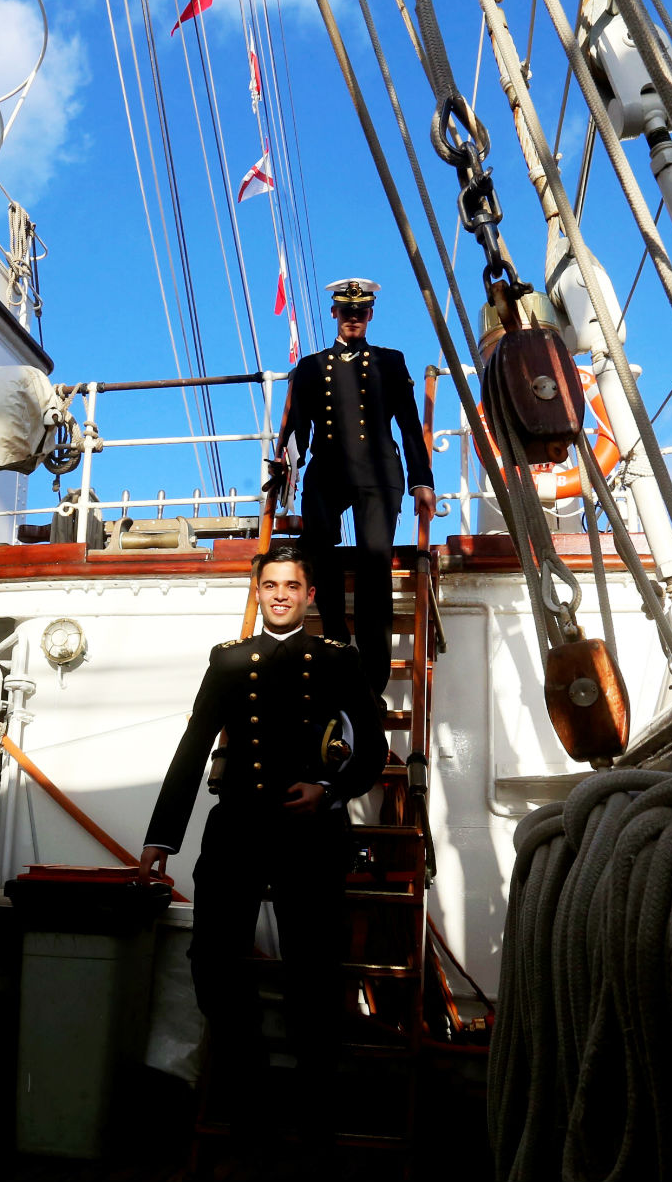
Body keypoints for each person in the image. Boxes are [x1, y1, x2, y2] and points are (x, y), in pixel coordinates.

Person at [137, 546, 385, 1155]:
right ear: (257, 592)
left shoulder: (334, 660)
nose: (280, 594)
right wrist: (160, 835)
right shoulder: (228, 662)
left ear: (310, 596)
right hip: (240, 822)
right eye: (270, 584)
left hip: (311, 828)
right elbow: (193, 746)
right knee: (213, 962)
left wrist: (330, 789)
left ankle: (317, 1116)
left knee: (314, 972)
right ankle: (252, 1101)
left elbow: (375, 747)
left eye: (291, 585)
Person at [276, 277, 436, 696]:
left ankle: (374, 668)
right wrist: (286, 476)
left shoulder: (390, 361)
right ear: (334, 314)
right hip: (328, 470)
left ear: (370, 315)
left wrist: (422, 481)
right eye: (346, 312)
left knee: (373, 564)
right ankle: (334, 639)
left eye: (360, 312)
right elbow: (297, 429)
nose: (352, 318)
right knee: (317, 550)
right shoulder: (311, 367)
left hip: (379, 474)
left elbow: (408, 426)